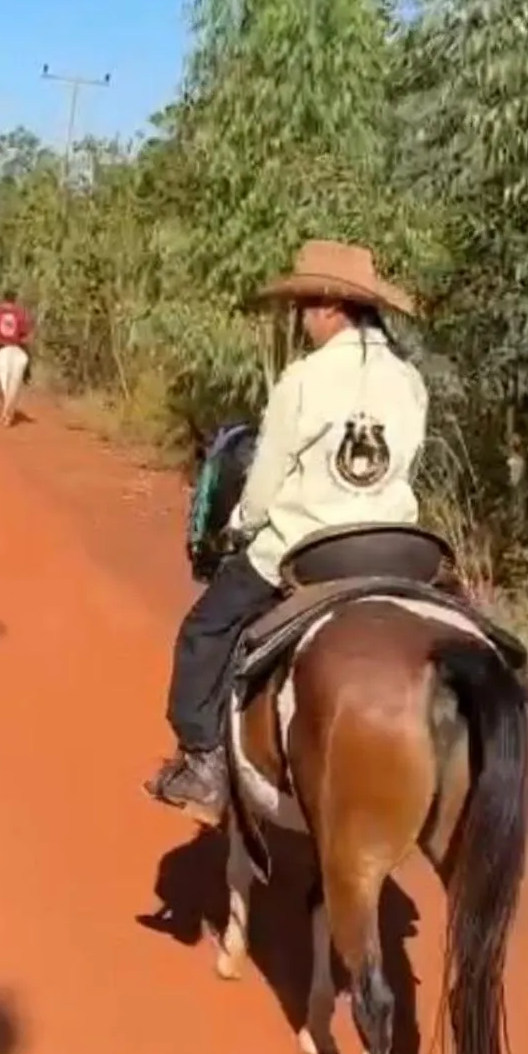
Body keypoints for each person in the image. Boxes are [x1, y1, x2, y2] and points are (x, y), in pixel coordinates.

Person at [147, 240, 428, 820]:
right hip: (401, 549)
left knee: (206, 629)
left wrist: (239, 527)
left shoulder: (304, 378)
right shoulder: (409, 381)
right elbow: (405, 465)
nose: (300, 320)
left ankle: (202, 762)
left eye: (303, 306)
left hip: (312, 548)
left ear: (330, 306)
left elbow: (266, 480)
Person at [0, 290, 31, 385]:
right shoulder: (20, 312)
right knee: (28, 356)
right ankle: (26, 377)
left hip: (0, 343)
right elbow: (24, 329)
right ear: (15, 299)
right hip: (17, 343)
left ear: (4, 299)